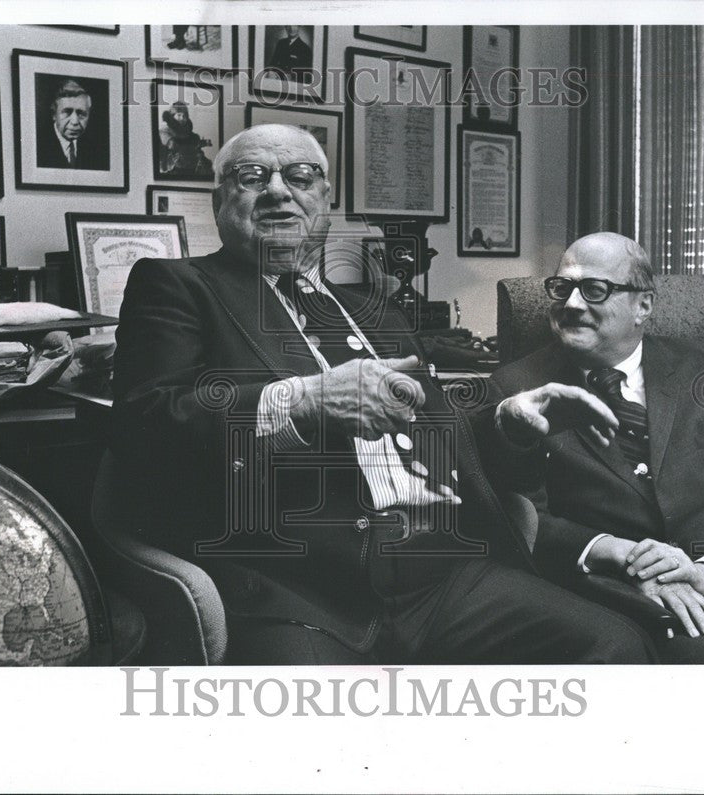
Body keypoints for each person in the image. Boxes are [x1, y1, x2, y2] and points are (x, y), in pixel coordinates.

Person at [109, 125, 656, 665]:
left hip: (444, 574)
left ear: (323, 199)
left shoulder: (377, 312)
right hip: (300, 587)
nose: (278, 190)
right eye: (251, 176)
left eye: (301, 176)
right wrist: (304, 401)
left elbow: (452, 444)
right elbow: (147, 422)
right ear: (220, 199)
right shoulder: (177, 286)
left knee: (615, 645)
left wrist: (508, 422)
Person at [487, 231, 704, 663]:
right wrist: (626, 560)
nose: (571, 305)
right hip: (640, 600)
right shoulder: (516, 390)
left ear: (643, 306)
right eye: (562, 288)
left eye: (594, 290)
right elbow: (522, 518)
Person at [36, 79, 108, 171]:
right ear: (54, 114)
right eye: (67, 112)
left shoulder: (97, 151)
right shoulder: (37, 147)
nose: (74, 121)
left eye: (81, 113)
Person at [157, 101, 213, 178]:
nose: (182, 118)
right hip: (170, 176)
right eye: (179, 115)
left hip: (193, 176)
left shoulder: (194, 137)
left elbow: (199, 155)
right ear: (172, 116)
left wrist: (202, 161)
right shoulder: (163, 134)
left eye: (185, 116)